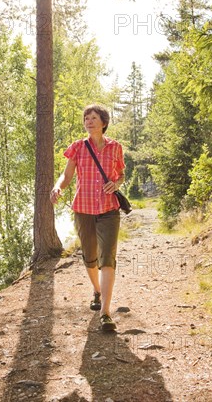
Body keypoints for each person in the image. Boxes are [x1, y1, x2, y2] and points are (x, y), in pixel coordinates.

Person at [50, 104, 125, 331]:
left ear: (103, 122)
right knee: (90, 256)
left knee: (107, 258)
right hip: (83, 209)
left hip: (109, 209)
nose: (89, 121)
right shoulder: (78, 147)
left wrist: (117, 183)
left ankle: (105, 312)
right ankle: (96, 289)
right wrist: (58, 187)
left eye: (93, 118)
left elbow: (121, 173)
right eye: (86, 118)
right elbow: (67, 174)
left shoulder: (115, 148)